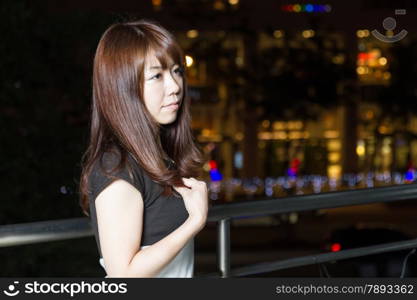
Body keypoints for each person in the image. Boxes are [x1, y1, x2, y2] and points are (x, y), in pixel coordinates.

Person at [79, 20, 208, 278]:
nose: (175, 87)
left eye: (176, 71)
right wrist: (194, 222)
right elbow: (122, 275)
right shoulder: (115, 166)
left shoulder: (159, 156)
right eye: (157, 76)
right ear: (123, 86)